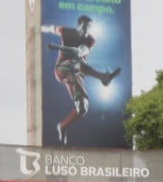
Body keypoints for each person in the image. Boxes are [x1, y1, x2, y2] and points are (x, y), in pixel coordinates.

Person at [41, 15, 120, 144]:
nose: (85, 32)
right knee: (74, 63)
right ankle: (103, 77)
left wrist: (64, 48)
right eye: (83, 28)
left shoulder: (90, 40)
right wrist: (37, 29)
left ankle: (62, 126)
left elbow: (81, 51)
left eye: (88, 28)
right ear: (77, 26)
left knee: (83, 108)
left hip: (76, 72)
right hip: (62, 69)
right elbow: (50, 28)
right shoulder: (65, 31)